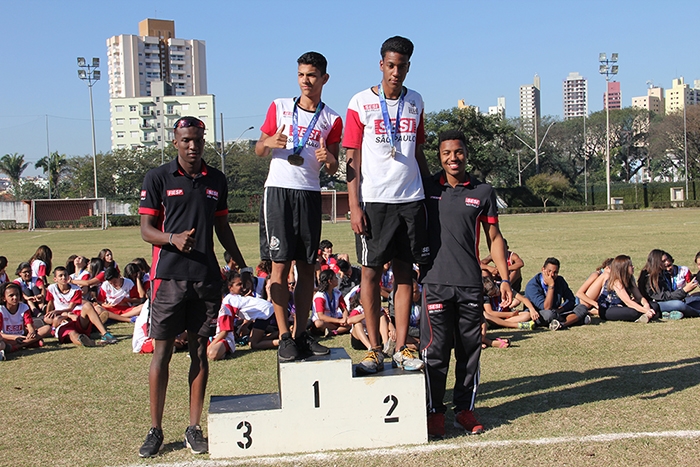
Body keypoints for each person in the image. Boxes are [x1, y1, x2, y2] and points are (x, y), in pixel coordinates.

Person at [138, 116, 248, 458]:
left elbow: (222, 227)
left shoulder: (216, 179)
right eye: (186, 140)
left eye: (198, 140)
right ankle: (155, 430)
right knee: (162, 353)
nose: (192, 145)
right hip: (168, 278)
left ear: (204, 141)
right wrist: (172, 238)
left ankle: (193, 427)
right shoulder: (158, 177)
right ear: (175, 142)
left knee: (200, 352)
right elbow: (145, 229)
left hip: (205, 279)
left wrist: (241, 263)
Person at [344, 36, 431, 373]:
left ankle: (403, 348)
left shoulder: (417, 101)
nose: (396, 72)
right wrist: (354, 205)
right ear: (381, 64)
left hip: (410, 200)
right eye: (391, 65)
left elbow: (418, 152)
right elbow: (352, 158)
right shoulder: (360, 102)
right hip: (374, 202)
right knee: (370, 274)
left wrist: (431, 192)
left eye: (402, 66)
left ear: (409, 67)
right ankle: (375, 349)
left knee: (405, 274)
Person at [420, 130, 512, 438]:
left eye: (458, 152)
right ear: (440, 157)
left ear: (466, 154)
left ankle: (463, 410)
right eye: (446, 153)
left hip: (470, 284)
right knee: (435, 351)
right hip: (434, 282)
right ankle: (434, 411)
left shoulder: (483, 192)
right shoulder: (428, 187)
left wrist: (504, 278)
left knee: (470, 350)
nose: (453, 158)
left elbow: (494, 238)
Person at [255, 51, 342, 362]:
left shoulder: (332, 118)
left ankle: (300, 332)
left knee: (306, 267)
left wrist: (329, 160)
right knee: (279, 266)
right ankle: (283, 336)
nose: (306, 81)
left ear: (324, 79)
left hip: (308, 193)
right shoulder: (279, 106)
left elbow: (333, 165)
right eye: (302, 75)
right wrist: (268, 143)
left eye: (313, 75)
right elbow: (258, 149)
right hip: (278, 191)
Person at [208, 272, 275, 360]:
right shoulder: (232, 299)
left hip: (266, 313)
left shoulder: (229, 301)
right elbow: (250, 311)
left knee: (254, 343)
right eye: (239, 284)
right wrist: (244, 326)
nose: (242, 287)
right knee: (254, 340)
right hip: (266, 311)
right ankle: (281, 336)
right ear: (230, 287)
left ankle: (281, 341)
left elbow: (226, 327)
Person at [44, 267, 117, 345]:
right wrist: (50, 314)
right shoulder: (51, 288)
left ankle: (105, 334)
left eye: (65, 275)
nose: (64, 277)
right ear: (55, 279)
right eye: (60, 276)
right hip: (62, 320)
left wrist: (65, 314)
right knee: (70, 332)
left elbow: (70, 308)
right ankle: (86, 340)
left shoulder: (76, 289)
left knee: (88, 305)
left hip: (76, 316)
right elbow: (50, 303)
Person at [524, 258, 587, 330]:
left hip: (557, 311)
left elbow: (571, 299)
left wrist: (561, 309)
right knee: (549, 314)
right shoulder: (533, 285)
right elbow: (546, 308)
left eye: (555, 272)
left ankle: (561, 324)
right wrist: (551, 286)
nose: (552, 275)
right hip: (539, 313)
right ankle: (575, 320)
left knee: (582, 307)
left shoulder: (559, 280)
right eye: (549, 271)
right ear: (543, 269)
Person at [637, 249, 699, 319]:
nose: (667, 262)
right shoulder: (649, 277)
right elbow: (663, 297)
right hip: (656, 304)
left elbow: (670, 292)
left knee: (696, 299)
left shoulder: (664, 272)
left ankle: (669, 314)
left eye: (667, 259)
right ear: (656, 262)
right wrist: (684, 290)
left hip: (670, 299)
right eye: (663, 261)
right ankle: (697, 312)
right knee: (680, 305)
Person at [598, 255, 658, 322]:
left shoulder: (630, 278)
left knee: (654, 305)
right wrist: (646, 310)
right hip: (609, 308)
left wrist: (646, 305)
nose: (633, 267)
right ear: (624, 268)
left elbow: (639, 297)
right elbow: (628, 302)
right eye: (631, 266)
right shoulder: (616, 282)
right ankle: (646, 316)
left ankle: (645, 316)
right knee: (633, 312)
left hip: (623, 306)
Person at [0, 282, 51, 354]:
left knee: (47, 328)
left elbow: (29, 324)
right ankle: (29, 343)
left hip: (23, 337)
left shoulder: (24, 307)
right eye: (11, 295)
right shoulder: (1, 310)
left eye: (17, 295)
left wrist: (32, 332)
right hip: (8, 338)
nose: (15, 297)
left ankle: (16, 347)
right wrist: (15, 337)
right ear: (4, 298)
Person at [310, 269, 350, 336]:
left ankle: (334, 332)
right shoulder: (320, 296)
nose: (337, 278)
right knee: (319, 324)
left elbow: (344, 309)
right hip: (323, 321)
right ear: (330, 281)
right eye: (335, 277)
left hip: (334, 320)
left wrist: (344, 319)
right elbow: (321, 316)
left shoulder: (337, 293)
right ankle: (334, 329)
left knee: (349, 323)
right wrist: (340, 321)